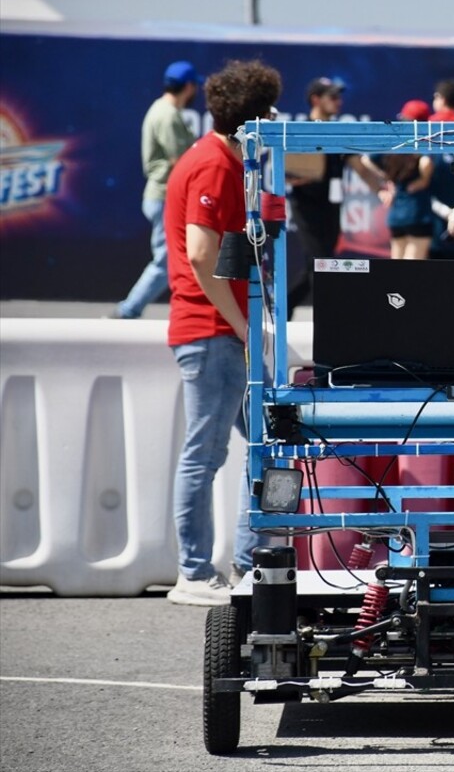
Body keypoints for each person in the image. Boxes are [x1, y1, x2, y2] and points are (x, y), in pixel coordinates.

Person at [163, 59, 280, 606]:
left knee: (265, 443)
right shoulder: (213, 164)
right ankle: (194, 571)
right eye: (270, 111)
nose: (277, 119)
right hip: (212, 332)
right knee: (206, 455)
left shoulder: (222, 159)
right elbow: (201, 253)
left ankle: (248, 564)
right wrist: (240, 326)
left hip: (222, 330)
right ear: (252, 117)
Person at [284, 77, 388, 317]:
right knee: (320, 261)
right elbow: (287, 172)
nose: (338, 101)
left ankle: (287, 306)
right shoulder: (302, 132)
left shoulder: (336, 132)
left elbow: (360, 165)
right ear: (315, 100)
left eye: (339, 96)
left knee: (322, 261)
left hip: (331, 206)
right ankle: (329, 315)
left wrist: (382, 185)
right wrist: (297, 176)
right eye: (333, 97)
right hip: (306, 206)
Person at [112, 61, 201, 319]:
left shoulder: (165, 111)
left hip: (164, 195)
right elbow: (180, 159)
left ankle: (190, 309)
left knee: (181, 256)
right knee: (167, 258)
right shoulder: (167, 114)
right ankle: (129, 309)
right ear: (188, 86)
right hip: (164, 195)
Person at [371, 99, 436, 259]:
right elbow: (426, 163)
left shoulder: (394, 147)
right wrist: (424, 179)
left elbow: (367, 159)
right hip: (418, 213)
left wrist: (386, 178)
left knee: (397, 269)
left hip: (396, 215)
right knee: (411, 271)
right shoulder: (421, 145)